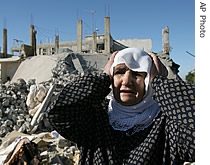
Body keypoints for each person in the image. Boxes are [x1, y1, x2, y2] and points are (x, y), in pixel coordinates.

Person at [47, 48, 195, 164]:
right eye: (119, 72)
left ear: (148, 81)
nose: (126, 80)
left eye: (137, 74)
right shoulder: (96, 116)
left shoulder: (166, 124)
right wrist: (102, 80)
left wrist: (161, 84)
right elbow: (58, 113)